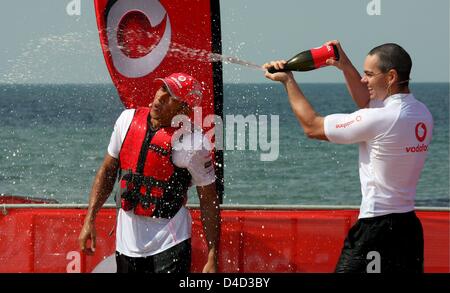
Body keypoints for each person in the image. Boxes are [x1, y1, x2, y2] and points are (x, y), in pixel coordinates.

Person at [264, 41, 433, 273]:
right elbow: (366, 102)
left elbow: (313, 127)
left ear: (391, 76)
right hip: (408, 229)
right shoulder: (422, 113)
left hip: (375, 229)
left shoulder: (381, 119)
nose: (364, 80)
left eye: (369, 74)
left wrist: (288, 81)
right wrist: (345, 66)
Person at [78, 72, 220, 273]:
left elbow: (208, 199)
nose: (160, 97)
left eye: (172, 95)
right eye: (163, 88)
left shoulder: (194, 143)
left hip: (170, 242)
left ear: (184, 109)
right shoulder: (127, 120)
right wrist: (89, 219)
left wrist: (212, 254)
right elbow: (108, 170)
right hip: (127, 243)